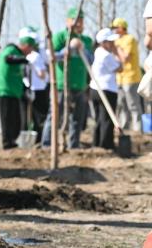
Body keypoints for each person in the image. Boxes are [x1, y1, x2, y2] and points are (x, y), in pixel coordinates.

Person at [44, 8, 94, 149]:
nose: (78, 23)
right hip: (62, 84)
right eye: (75, 20)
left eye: (81, 20)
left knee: (77, 119)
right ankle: (48, 145)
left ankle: (74, 145)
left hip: (80, 85)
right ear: (68, 21)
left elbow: (91, 61)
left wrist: (82, 48)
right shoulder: (60, 37)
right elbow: (50, 57)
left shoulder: (86, 40)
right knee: (54, 115)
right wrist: (68, 50)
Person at [0, 35, 35, 149]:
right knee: (7, 119)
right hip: (4, 92)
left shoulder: (19, 55)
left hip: (14, 93)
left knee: (16, 121)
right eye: (30, 49)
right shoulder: (11, 49)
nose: (31, 52)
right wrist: (24, 60)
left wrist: (26, 90)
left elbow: (18, 77)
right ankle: (7, 143)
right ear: (25, 45)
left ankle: (13, 141)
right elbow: (8, 59)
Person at [90, 28, 123, 150]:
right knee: (106, 119)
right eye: (110, 42)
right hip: (106, 90)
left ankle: (97, 143)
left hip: (95, 89)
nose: (113, 44)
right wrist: (117, 53)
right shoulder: (106, 55)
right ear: (103, 42)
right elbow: (120, 68)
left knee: (99, 118)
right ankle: (106, 145)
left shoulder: (97, 52)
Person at [110, 18, 143, 133]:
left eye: (115, 28)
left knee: (133, 104)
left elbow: (125, 58)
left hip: (131, 77)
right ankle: (124, 128)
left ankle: (138, 129)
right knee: (121, 105)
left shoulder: (130, 39)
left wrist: (116, 48)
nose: (114, 30)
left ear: (122, 27)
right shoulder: (116, 41)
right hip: (120, 78)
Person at [19, 27, 50, 143]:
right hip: (39, 89)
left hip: (28, 88)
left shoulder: (25, 57)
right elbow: (41, 74)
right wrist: (47, 75)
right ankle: (39, 140)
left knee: (29, 116)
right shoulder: (36, 56)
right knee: (40, 117)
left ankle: (30, 140)